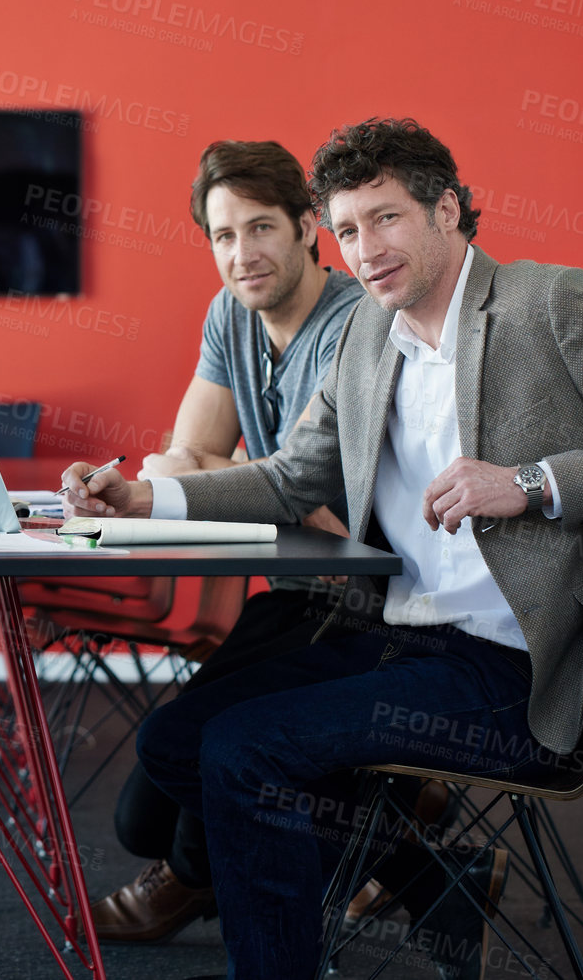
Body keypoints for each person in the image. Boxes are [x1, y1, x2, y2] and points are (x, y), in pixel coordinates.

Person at [63, 117, 583, 980]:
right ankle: (414, 883)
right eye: (346, 229)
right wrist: (145, 495)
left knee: (246, 747)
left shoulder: (547, 302)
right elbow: (286, 479)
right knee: (174, 744)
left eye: (384, 218)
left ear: (447, 210)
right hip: (393, 639)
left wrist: (529, 481)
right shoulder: (363, 338)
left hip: (506, 670)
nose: (363, 248)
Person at [87, 140, 364, 942]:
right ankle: (403, 844)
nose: (242, 255)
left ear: (308, 225)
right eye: (221, 235)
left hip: (363, 598)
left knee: (179, 767)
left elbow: (303, 492)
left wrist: (244, 473)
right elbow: (182, 456)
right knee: (142, 814)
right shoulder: (228, 315)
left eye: (261, 228)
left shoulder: (355, 326)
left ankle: (191, 883)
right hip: (291, 590)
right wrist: (254, 475)